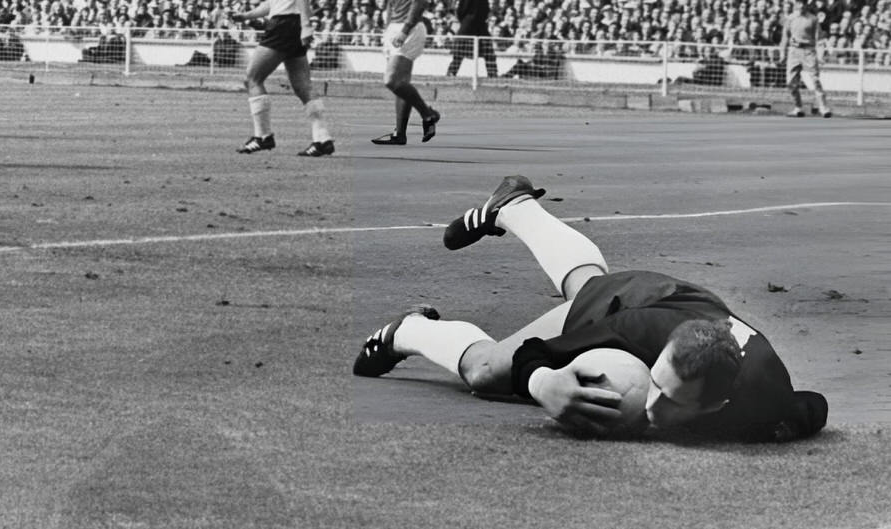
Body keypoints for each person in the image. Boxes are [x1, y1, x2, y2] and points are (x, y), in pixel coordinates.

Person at [353, 175, 828, 442]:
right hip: (643, 305)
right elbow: (533, 353)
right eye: (656, 384)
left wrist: (775, 430)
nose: (651, 403)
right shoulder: (637, 330)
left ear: (719, 403)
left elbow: (813, 408)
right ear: (658, 356)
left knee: (585, 284)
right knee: (485, 372)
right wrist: (545, 383)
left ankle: (516, 207)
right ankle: (408, 329)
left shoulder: (763, 398)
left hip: (686, 307)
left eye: (672, 400)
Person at [229, 0, 334, 157]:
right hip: (290, 23)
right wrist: (246, 15)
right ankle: (323, 139)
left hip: (286, 25)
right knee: (302, 86)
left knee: (252, 78)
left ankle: (263, 136)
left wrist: (307, 25)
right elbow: (274, 2)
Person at [371, 0, 440, 145]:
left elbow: (419, 1)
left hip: (410, 29)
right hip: (395, 28)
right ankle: (399, 133)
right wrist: (388, 27)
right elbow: (392, 2)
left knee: (391, 80)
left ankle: (428, 113)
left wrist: (404, 29)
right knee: (402, 83)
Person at [780, 0, 831, 118]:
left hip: (808, 51)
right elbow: (785, 37)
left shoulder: (813, 19)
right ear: (795, 4)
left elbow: (819, 39)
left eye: (803, 3)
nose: (801, 5)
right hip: (794, 51)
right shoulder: (790, 18)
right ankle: (798, 107)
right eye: (798, 2)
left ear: (806, 4)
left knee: (815, 79)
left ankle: (823, 108)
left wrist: (820, 55)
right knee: (791, 82)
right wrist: (782, 53)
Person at [448, 0, 500, 79]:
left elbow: (485, 11)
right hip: (469, 28)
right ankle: (450, 74)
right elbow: (461, 9)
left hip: (481, 28)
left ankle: (493, 75)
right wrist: (467, 21)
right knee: (458, 54)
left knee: (489, 53)